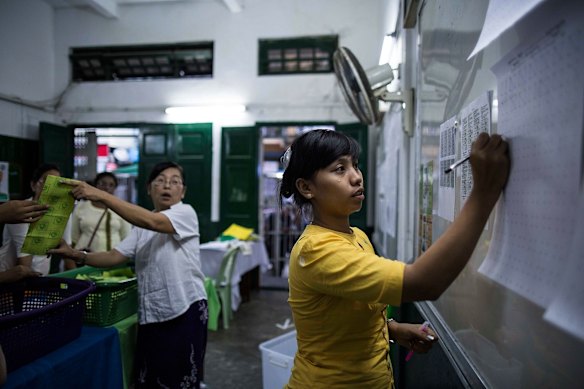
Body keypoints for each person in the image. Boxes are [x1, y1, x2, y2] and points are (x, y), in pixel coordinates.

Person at [278, 129, 509, 388]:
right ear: (306, 187)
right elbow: (424, 282)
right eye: (339, 169)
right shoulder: (317, 250)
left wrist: (392, 329)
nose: (356, 177)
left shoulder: (357, 237)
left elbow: (339, 317)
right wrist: (484, 193)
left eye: (355, 165)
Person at [49, 161, 208, 389]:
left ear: (182, 191)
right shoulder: (141, 225)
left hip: (184, 309)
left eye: (175, 182)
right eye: (160, 180)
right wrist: (75, 254)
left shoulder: (185, 213)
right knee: (152, 379)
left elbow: (152, 221)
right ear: (148, 188)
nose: (167, 186)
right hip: (152, 312)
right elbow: (115, 256)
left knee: (179, 379)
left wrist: (100, 195)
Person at [0, 163, 75, 275]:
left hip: (41, 280)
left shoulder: (63, 214)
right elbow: (24, 266)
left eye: (58, 184)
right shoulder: (20, 212)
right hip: (12, 282)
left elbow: (68, 254)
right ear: (33, 185)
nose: (53, 188)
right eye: (47, 182)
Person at [70, 172, 131, 254]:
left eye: (111, 185)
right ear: (95, 185)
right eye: (103, 184)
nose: (107, 188)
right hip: (85, 256)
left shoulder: (120, 208)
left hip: (112, 259)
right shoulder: (82, 207)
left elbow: (126, 237)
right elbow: (74, 236)